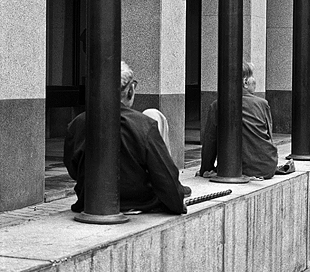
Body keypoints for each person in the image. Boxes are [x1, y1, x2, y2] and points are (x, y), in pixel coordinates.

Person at [64, 62, 190, 215]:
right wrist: (177, 204)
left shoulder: (76, 124)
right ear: (130, 90)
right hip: (139, 202)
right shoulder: (144, 125)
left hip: (89, 202)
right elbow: (164, 175)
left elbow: (73, 169)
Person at [197, 62, 278, 180]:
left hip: (233, 169)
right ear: (245, 82)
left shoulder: (217, 105)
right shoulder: (262, 104)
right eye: (252, 77)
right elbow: (269, 136)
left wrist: (205, 169)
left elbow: (210, 141)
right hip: (267, 166)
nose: (254, 81)